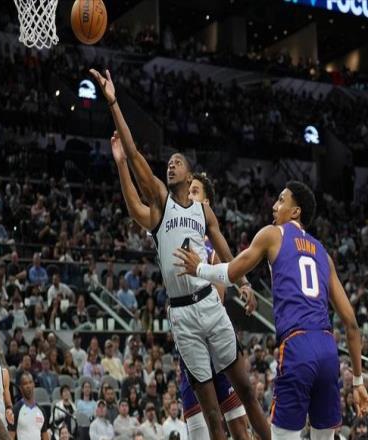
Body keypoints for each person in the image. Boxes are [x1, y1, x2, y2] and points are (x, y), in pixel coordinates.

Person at [92, 68, 265, 440]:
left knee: (245, 399)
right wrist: (114, 104)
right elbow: (135, 162)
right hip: (183, 315)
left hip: (210, 308)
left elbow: (226, 257)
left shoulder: (204, 215)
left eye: (177, 162)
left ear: (192, 179)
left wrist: (242, 283)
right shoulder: (161, 203)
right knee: (211, 419)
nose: (170, 164)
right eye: (168, 161)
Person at [175, 181, 368, 439]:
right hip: (328, 349)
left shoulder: (273, 234)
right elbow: (352, 324)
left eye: (281, 200)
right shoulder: (324, 254)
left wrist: (199, 268)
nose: (274, 206)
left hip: (297, 345)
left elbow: (233, 271)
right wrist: (358, 381)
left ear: (296, 211)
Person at [110, 136, 250, 440]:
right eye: (190, 190)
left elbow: (218, 297)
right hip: (189, 336)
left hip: (213, 339)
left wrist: (204, 282)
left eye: (196, 191)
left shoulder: (212, 248)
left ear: (205, 203)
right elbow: (136, 208)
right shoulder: (169, 221)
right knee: (202, 430)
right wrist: (122, 164)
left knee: (239, 426)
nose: (189, 196)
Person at [9, 372, 49, 440]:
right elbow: (10, 437)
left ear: (34, 385)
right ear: (20, 388)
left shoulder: (41, 411)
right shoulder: (16, 410)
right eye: (25, 384)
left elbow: (45, 436)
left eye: (30, 382)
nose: (28, 386)